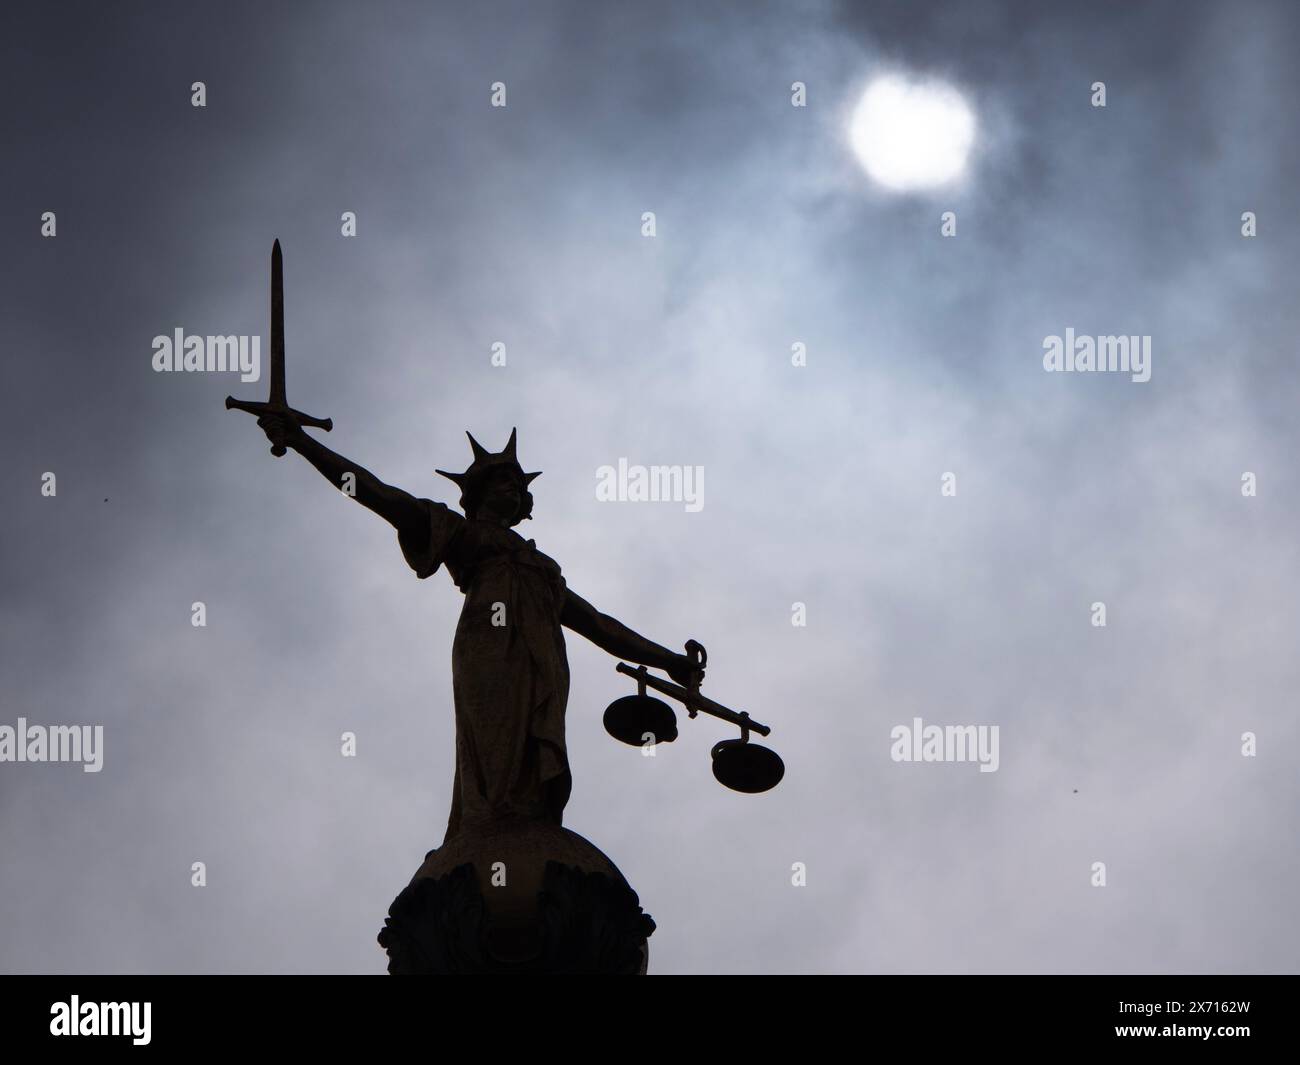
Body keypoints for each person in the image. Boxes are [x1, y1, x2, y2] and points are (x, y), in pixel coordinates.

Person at [254, 414, 701, 843]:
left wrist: (670, 662)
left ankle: (528, 823)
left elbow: (600, 625)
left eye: (518, 485)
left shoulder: (542, 568)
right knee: (492, 740)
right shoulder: (458, 531)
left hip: (542, 666)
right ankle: (485, 828)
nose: (514, 489)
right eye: (504, 480)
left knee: (531, 750)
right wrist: (302, 442)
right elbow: (378, 494)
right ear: (480, 492)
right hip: (488, 652)